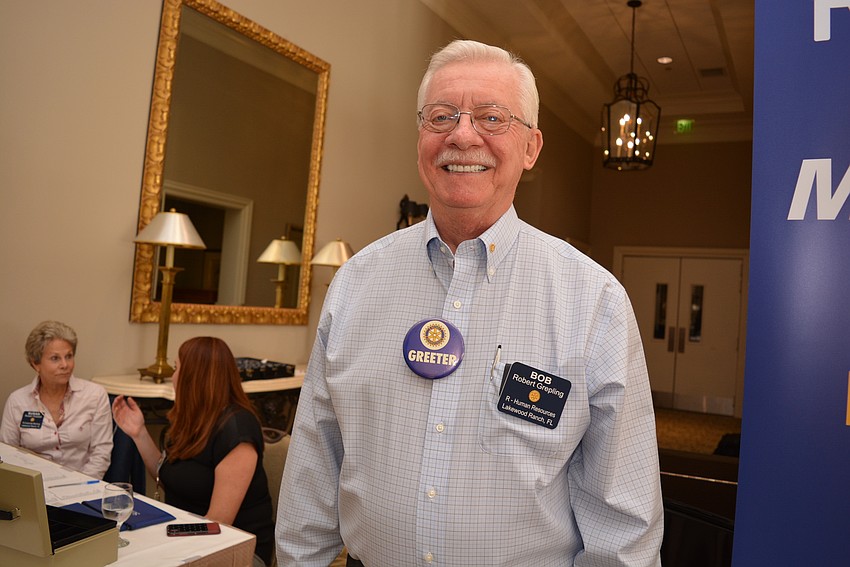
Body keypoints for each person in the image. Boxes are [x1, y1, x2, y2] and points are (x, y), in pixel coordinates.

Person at [276, 40, 663, 566]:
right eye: (441, 116)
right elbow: (314, 466)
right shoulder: (355, 284)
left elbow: (624, 529)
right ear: (420, 138)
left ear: (531, 148)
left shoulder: (595, 302)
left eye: (492, 117)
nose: (462, 135)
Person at [112, 337, 274, 566]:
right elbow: (167, 476)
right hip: (188, 538)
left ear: (194, 376)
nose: (173, 376)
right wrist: (139, 433)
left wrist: (163, 534)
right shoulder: (193, 418)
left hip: (236, 550)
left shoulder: (237, 428)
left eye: (177, 368)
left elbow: (218, 523)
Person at [1, 320, 113, 478]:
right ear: (36, 364)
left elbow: (101, 454)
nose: (65, 365)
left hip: (83, 483)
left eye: (69, 356)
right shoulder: (17, 401)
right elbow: (8, 456)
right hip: (34, 486)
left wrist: (81, 485)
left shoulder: (94, 395)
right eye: (55, 358)